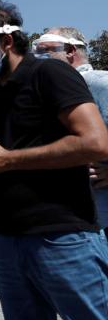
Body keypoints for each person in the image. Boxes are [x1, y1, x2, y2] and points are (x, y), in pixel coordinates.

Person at [0, 0, 108, 320]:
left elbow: (96, 142)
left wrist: (7, 159)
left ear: (6, 40)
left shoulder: (49, 73)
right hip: (9, 239)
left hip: (62, 234)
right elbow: (10, 157)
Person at [33, 27, 108, 232]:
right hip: (76, 220)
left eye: (46, 50)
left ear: (70, 51)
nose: (39, 58)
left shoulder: (100, 83)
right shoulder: (52, 93)